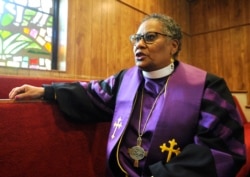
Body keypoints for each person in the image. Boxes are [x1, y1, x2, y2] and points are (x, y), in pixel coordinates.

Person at [9, 13, 245, 177]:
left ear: (173, 45)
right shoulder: (125, 79)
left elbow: (220, 150)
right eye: (136, 38)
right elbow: (92, 93)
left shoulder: (207, 86)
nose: (139, 44)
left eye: (150, 37)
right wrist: (46, 92)